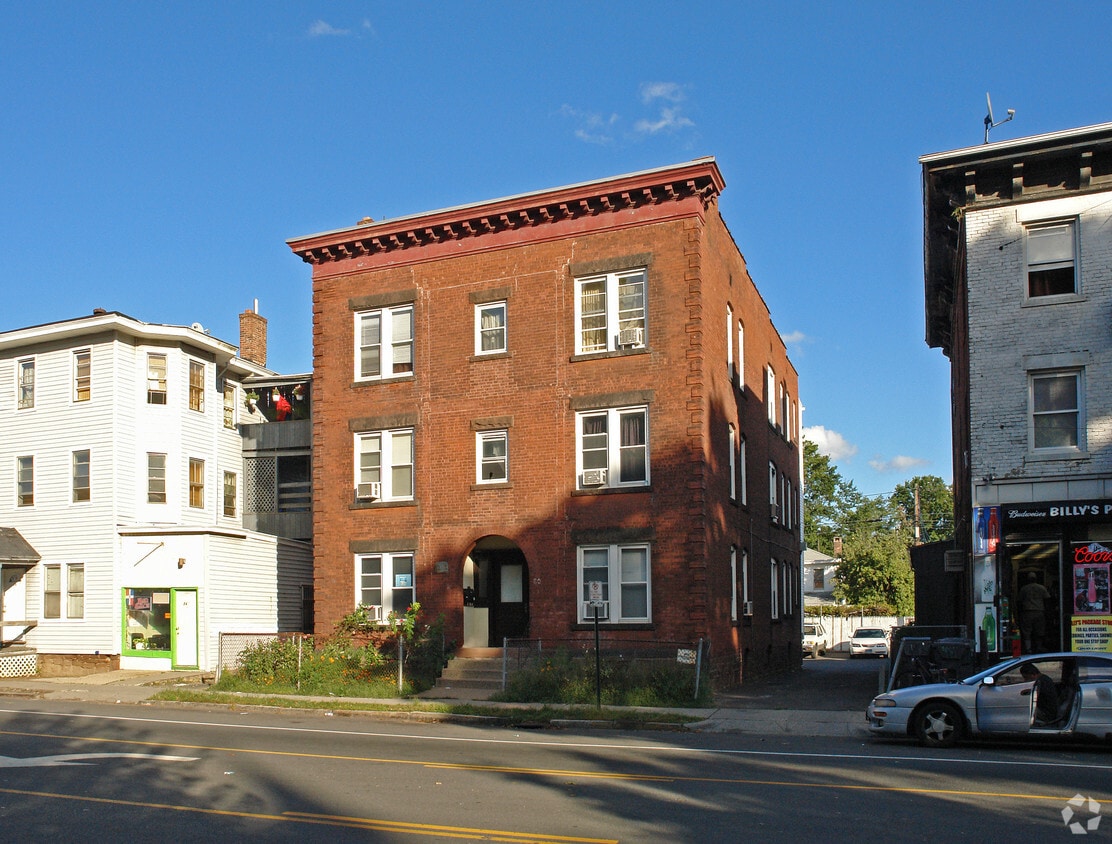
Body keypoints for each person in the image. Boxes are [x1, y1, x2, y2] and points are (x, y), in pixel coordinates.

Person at [1018, 572, 1051, 653]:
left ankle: (1028, 648)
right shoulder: (1041, 588)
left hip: (1027, 611)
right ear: (1036, 579)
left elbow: (1019, 601)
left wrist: (1019, 612)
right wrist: (1048, 612)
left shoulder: (1024, 589)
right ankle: (1039, 647)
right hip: (1039, 611)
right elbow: (1047, 599)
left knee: (1027, 631)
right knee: (1039, 630)